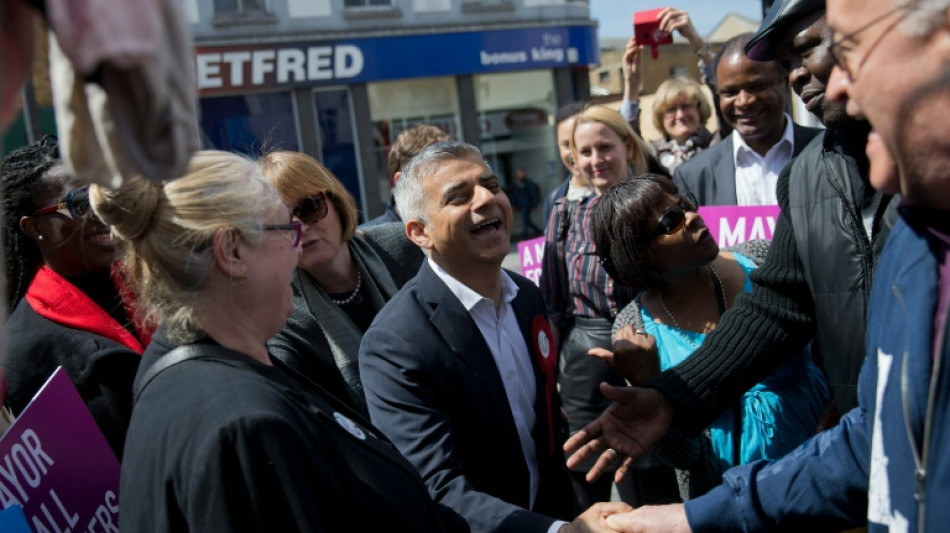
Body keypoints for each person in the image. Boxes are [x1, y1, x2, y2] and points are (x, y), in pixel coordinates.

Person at [574, 0, 950, 530]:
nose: (820, 79)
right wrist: (672, 400)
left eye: (837, 48)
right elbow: (780, 308)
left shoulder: (916, 221)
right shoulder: (809, 180)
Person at [101, 150, 461, 532]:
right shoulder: (245, 428)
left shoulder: (184, 369)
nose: (298, 244)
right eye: (285, 229)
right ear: (232, 251)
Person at [359, 141, 631, 532]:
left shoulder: (528, 297)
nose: (487, 198)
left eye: (492, 185)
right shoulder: (394, 344)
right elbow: (435, 487)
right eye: (459, 196)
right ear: (420, 232)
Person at [591, 176, 829, 499]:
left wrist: (840, 407)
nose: (692, 217)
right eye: (671, 221)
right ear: (639, 256)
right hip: (728, 498)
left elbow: (826, 344)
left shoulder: (759, 257)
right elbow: (687, 457)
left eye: (685, 204)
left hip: (820, 466)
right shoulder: (635, 329)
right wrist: (652, 384)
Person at [539, 106, 679, 509]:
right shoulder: (565, 213)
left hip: (655, 357)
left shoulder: (662, 200)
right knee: (587, 480)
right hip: (585, 365)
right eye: (585, 152)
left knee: (654, 484)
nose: (595, 160)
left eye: (605, 147)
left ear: (627, 146)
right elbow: (553, 300)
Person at [1, 136, 148, 458]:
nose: (102, 211)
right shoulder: (25, 354)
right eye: (80, 203)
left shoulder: (157, 287)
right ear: (34, 227)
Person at [260, 150, 421, 418]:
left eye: (309, 207)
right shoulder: (284, 310)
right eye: (282, 223)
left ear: (336, 202)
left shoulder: (404, 247)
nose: (301, 227)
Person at [673, 32, 822, 206]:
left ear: (784, 82)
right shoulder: (693, 177)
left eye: (757, 87)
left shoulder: (830, 151)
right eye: (730, 92)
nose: (744, 102)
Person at [619, 8, 717, 173]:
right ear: (660, 116)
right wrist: (632, 85)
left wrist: (698, 43)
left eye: (686, 106)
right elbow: (626, 137)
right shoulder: (652, 154)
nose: (680, 115)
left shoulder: (718, 144)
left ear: (699, 109)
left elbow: (724, 92)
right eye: (671, 109)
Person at [361, 124, 451, 227]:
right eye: (436, 176)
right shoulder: (365, 240)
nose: (447, 187)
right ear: (402, 182)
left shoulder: (459, 230)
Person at [541, 102, 592, 227]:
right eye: (567, 145)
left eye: (580, 142)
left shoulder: (620, 189)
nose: (576, 151)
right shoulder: (553, 201)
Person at [508, 168, 542, 240]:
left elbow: (533, 193)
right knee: (527, 221)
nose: (520, 175)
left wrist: (535, 204)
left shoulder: (528, 183)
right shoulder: (515, 184)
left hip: (527, 204)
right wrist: (513, 205)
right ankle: (538, 231)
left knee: (524, 221)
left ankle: (525, 237)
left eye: (521, 173)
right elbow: (513, 195)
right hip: (520, 205)